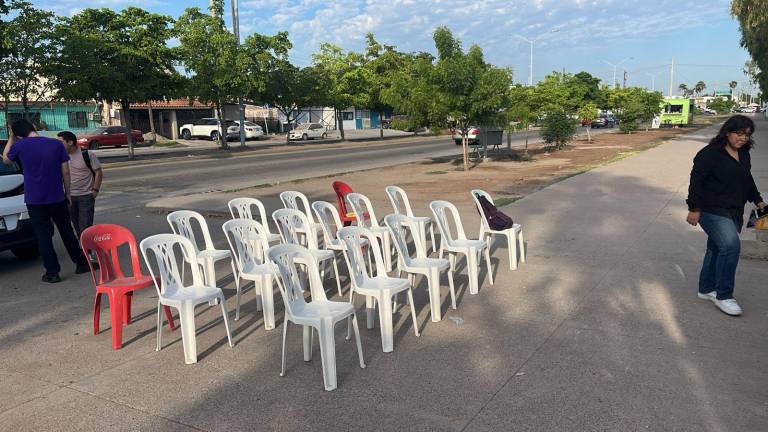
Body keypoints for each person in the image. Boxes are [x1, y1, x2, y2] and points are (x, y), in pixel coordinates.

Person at [686, 115, 766, 316]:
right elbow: (696, 181)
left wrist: (757, 199)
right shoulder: (710, 154)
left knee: (716, 248)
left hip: (734, 210)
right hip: (711, 209)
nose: (743, 138)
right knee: (730, 246)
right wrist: (694, 208)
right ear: (727, 132)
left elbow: (746, 179)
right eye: (739, 133)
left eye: (747, 135)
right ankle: (724, 296)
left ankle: (706, 288)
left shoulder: (744, 153)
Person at [2, 119, 89, 283]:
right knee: (67, 231)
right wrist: (68, 193)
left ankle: (52, 272)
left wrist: (12, 138)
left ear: (18, 134)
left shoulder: (19, 146)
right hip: (56, 196)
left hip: (34, 200)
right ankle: (81, 264)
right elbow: (66, 171)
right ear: (33, 127)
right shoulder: (56, 144)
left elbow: (6, 159)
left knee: (43, 236)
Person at [57, 131, 102, 241]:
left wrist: (95, 190)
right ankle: (84, 247)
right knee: (76, 225)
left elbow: (98, 172)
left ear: (70, 142)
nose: (58, 145)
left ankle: (89, 251)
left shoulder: (87, 154)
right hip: (69, 197)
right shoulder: (60, 157)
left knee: (85, 226)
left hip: (86, 196)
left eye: (60, 142)